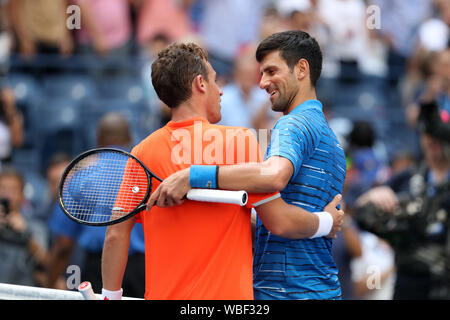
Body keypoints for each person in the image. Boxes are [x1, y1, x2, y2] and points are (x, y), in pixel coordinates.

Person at [101, 41, 344, 300]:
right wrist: (328, 221)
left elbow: (116, 235)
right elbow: (279, 222)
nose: (221, 91)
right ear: (200, 84)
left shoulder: (141, 153)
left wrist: (110, 296)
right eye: (216, 81)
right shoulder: (239, 141)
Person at [355, 100, 450, 299]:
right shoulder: (409, 177)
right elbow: (359, 210)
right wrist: (373, 195)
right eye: (428, 135)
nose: (433, 142)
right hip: (409, 279)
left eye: (438, 136)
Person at [45, 112, 146, 297]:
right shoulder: (144, 173)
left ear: (98, 138)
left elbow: (63, 245)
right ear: (130, 138)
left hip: (98, 270)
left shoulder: (82, 175)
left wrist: (48, 283)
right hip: (143, 271)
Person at [0, 166, 48, 286]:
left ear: (22, 196)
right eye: (2, 188)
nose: (6, 194)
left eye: (12, 190)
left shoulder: (35, 226)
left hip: (22, 292)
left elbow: (45, 261)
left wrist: (25, 233)